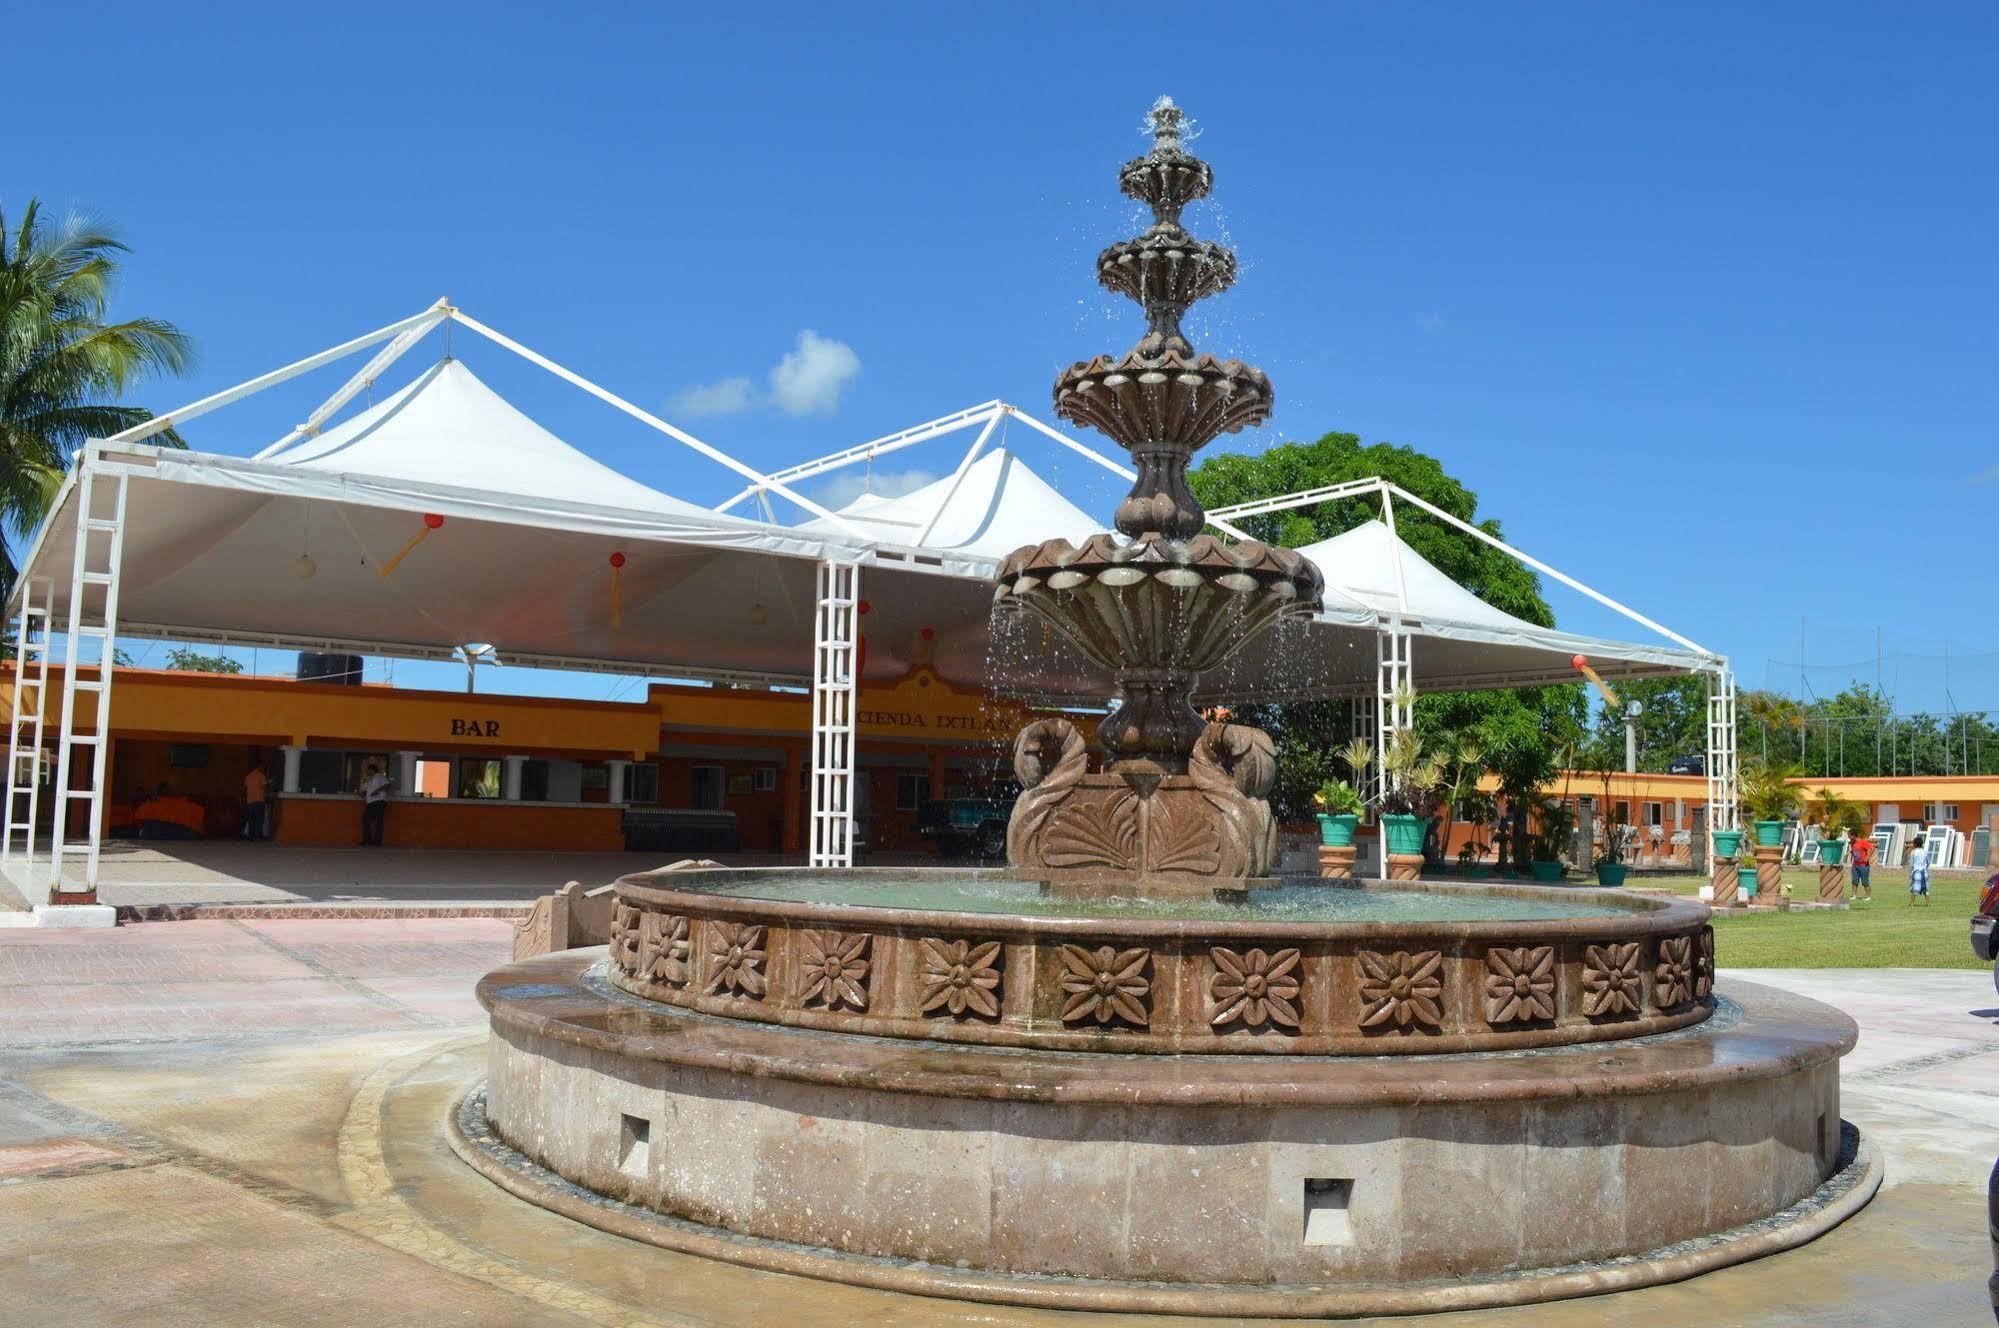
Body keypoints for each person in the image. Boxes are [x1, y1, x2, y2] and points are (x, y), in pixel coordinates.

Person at [360, 763, 393, 846]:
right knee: (366, 821)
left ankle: (377, 842)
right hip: (371, 803)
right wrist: (363, 793)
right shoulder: (370, 779)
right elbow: (369, 791)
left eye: (368, 770)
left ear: (372, 770)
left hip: (378, 802)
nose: (367, 772)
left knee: (378, 822)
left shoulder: (380, 776)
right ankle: (368, 841)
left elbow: (387, 784)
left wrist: (377, 791)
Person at [242, 757, 270, 841]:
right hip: (259, 800)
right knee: (259, 819)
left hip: (250, 801)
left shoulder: (248, 776)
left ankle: (251, 836)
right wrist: (269, 784)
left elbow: (245, 788)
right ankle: (258, 836)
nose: (263, 767)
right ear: (259, 766)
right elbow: (265, 787)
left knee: (251, 819)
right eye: (262, 766)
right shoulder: (261, 776)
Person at [1849, 830, 1874, 903]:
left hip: (1863, 866)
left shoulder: (1862, 842)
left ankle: (1868, 897)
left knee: (1865, 882)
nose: (1849, 838)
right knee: (1854, 881)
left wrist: (1867, 857)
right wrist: (1851, 852)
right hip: (1855, 865)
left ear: (1853, 835)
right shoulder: (1852, 843)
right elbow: (1856, 851)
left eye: (1849, 836)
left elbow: (1872, 848)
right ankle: (1854, 895)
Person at [1908, 834, 1930, 905]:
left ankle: (1912, 903)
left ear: (1915, 844)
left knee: (1915, 887)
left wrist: (1910, 873)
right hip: (1924, 872)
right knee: (1926, 888)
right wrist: (1925, 867)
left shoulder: (1913, 852)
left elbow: (1911, 864)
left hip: (1916, 872)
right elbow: (1928, 862)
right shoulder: (1925, 852)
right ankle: (1928, 903)